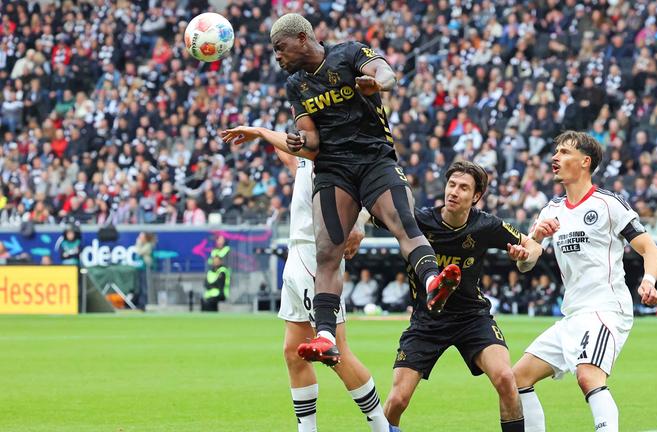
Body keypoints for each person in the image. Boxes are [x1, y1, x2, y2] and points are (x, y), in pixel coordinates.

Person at [223, 13, 460, 367]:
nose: (277, 56)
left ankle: (431, 284)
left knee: (403, 222)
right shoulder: (296, 85)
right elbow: (313, 142)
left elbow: (388, 74)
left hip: (374, 158)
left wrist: (376, 83)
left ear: (302, 39)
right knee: (327, 251)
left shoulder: (349, 53)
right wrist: (299, 140)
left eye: (280, 48)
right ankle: (325, 336)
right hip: (334, 169)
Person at [220, 125, 391, 431]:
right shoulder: (305, 156)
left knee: (336, 352)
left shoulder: (342, 155)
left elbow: (376, 190)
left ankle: (381, 425)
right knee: (292, 351)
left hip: (319, 255)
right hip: (296, 253)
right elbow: (284, 146)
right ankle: (307, 429)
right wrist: (257, 132)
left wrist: (361, 222)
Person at [512, 131, 657, 432]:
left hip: (606, 309)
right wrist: (536, 237)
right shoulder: (550, 210)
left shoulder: (609, 204)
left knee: (588, 376)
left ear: (585, 161)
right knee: (517, 378)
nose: (555, 157)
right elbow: (526, 263)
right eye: (555, 152)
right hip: (573, 313)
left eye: (565, 152)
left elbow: (650, 249)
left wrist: (648, 281)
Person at [383, 161, 543, 432]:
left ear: (476, 196)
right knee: (397, 399)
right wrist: (358, 226)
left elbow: (532, 245)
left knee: (506, 378)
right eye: (452, 184)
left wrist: (526, 255)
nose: (454, 192)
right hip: (427, 321)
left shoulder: (486, 225)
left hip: (472, 318)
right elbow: (375, 210)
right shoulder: (419, 221)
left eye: (464, 188)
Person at [134, 232, 156, 310]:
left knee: (144, 286)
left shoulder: (148, 245)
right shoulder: (143, 245)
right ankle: (140, 303)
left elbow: (139, 252)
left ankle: (143, 304)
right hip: (140, 267)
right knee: (139, 286)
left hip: (145, 268)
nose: (140, 238)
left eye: (141, 237)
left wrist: (138, 243)